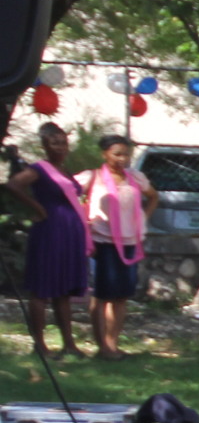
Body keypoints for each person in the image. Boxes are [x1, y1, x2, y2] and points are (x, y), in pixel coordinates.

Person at [9, 122, 89, 358]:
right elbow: (14, 185)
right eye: (55, 143)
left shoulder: (64, 170)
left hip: (69, 234)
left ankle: (69, 344)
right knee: (42, 289)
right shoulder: (40, 169)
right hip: (50, 231)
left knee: (63, 290)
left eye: (63, 142)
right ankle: (40, 345)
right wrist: (38, 208)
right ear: (44, 145)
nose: (61, 147)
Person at [80, 135, 155, 359]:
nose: (122, 159)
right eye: (117, 154)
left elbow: (153, 197)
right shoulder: (93, 177)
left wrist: (143, 218)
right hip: (104, 243)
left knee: (121, 296)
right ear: (105, 154)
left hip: (130, 243)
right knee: (103, 295)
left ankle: (113, 343)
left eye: (126, 154)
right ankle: (101, 344)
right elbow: (68, 192)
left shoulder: (136, 178)